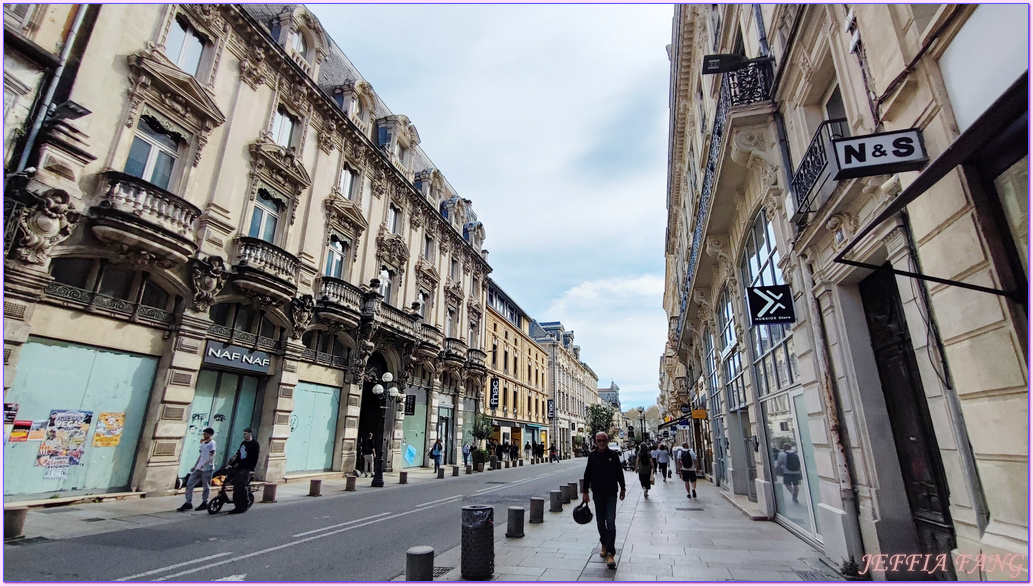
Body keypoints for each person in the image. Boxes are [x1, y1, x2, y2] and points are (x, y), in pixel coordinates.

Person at [581, 432, 626, 569]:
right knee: (600, 522)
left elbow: (619, 472)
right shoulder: (592, 456)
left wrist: (623, 488)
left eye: (603, 440)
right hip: (598, 494)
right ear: (595, 441)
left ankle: (610, 553)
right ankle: (604, 543)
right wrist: (585, 491)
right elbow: (587, 473)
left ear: (607, 441)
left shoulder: (613, 455)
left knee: (611, 522)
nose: (601, 443)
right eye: (598, 440)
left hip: (611, 493)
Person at [177, 427, 216, 512]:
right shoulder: (202, 444)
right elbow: (201, 456)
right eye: (204, 434)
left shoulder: (212, 443)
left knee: (206, 486)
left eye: (206, 434)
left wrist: (204, 464)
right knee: (189, 484)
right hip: (198, 468)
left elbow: (212, 456)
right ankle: (188, 502)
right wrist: (195, 465)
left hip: (207, 468)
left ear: (210, 435)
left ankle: (205, 502)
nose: (204, 435)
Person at [227, 427, 259, 514]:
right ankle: (237, 505)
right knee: (236, 486)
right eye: (243, 434)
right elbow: (239, 455)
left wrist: (250, 469)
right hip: (240, 467)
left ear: (250, 434)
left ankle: (244, 504)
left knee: (241, 486)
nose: (244, 436)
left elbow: (254, 458)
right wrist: (233, 464)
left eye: (245, 434)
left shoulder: (254, 444)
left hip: (247, 468)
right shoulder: (243, 443)